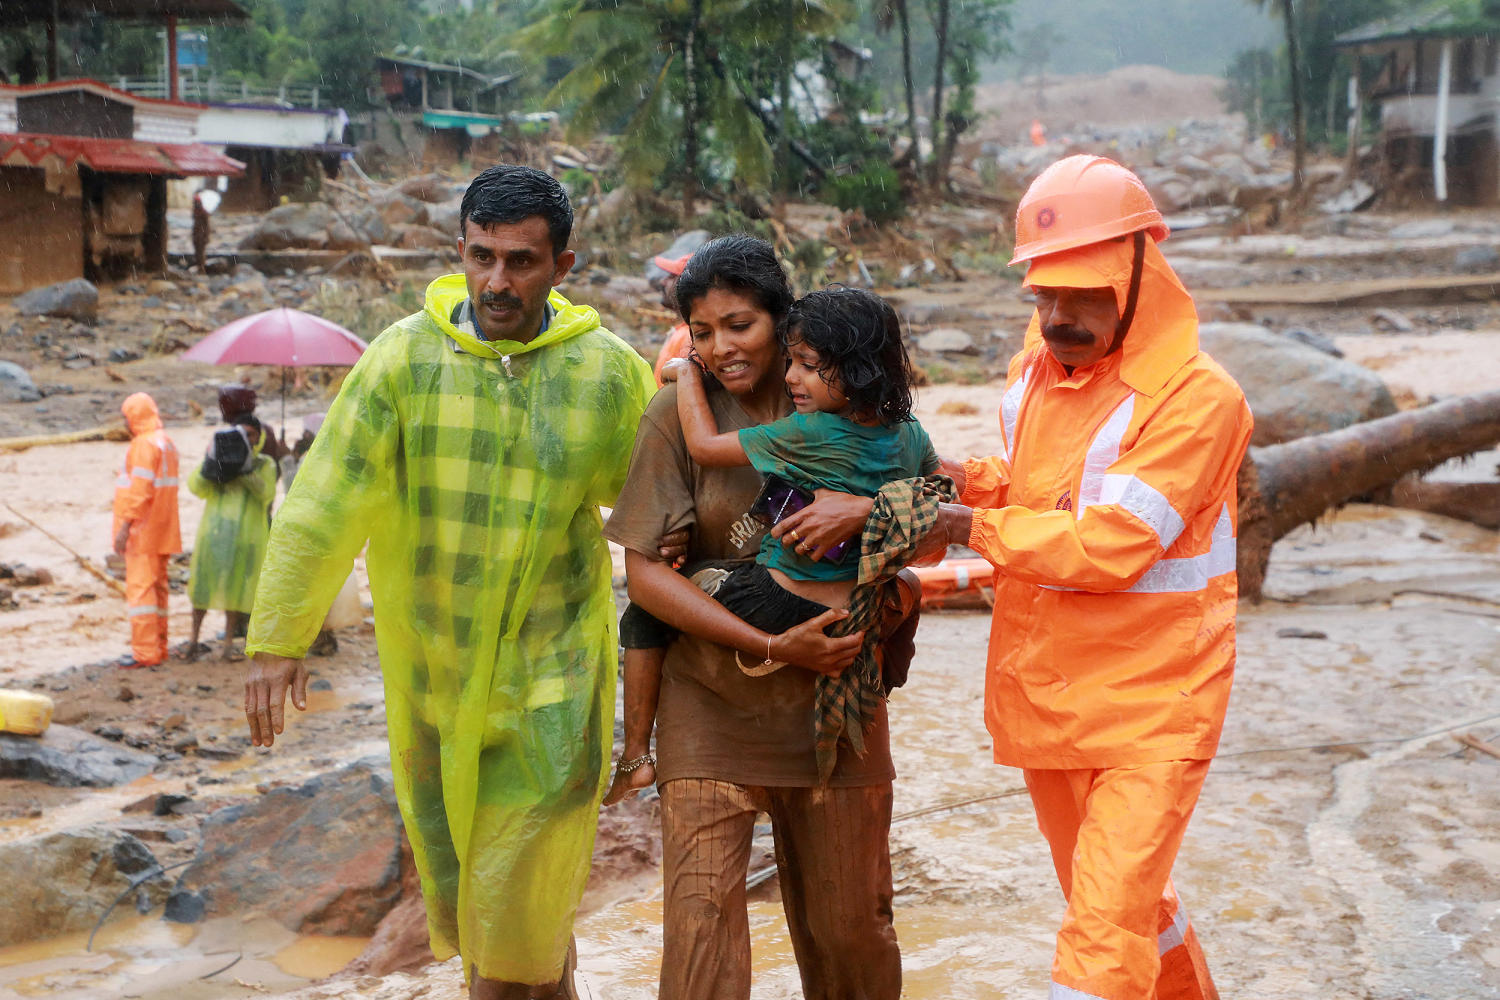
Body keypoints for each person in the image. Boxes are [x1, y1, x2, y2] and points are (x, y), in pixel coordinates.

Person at [240, 164, 656, 1000]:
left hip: (554, 674)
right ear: (457, 252)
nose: (498, 281)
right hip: (432, 680)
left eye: (522, 261)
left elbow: (661, 509)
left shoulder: (605, 374)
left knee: (511, 907)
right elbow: (324, 502)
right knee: (495, 909)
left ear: (562, 267)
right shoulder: (402, 362)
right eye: (482, 257)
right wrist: (278, 638)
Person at [922, 155, 1254, 1000]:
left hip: (1154, 705)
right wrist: (954, 480)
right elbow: (1039, 490)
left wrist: (966, 524)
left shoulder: (1197, 399)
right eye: (1045, 296)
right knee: (1127, 908)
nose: (1058, 317)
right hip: (1053, 689)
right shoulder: (1035, 369)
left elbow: (1111, 543)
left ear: (1139, 274)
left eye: (1082, 296)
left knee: (1100, 940)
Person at [603, 235, 904, 1000]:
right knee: (699, 945)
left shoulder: (862, 410)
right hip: (711, 702)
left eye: (740, 325)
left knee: (853, 940)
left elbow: (935, 525)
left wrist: (865, 510)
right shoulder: (678, 413)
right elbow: (642, 577)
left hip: (837, 706)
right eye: (702, 332)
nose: (721, 348)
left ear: (783, 317)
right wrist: (770, 641)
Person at [605, 286, 934, 804]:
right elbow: (939, 496)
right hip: (860, 609)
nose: (790, 377)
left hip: (777, 602)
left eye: (807, 365)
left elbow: (705, 447)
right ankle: (895, 655)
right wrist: (877, 507)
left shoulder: (807, 431)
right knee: (908, 583)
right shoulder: (910, 433)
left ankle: (636, 756)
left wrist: (686, 373)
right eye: (702, 334)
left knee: (654, 604)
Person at [182, 385, 279, 663]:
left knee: (237, 590)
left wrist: (245, 469)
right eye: (242, 436)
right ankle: (193, 640)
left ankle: (226, 645)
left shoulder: (264, 465)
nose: (246, 441)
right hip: (215, 533)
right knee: (202, 587)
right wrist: (212, 462)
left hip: (248, 536)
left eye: (251, 436)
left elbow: (266, 493)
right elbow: (196, 487)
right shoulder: (221, 458)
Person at [112, 392, 181, 669]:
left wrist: (125, 527)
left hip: (143, 532)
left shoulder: (143, 445)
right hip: (165, 530)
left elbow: (139, 492)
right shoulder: (167, 443)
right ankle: (159, 647)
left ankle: (145, 652)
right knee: (159, 591)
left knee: (141, 595)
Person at [650, 252, 692, 385]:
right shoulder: (684, 332)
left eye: (672, 276)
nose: (663, 281)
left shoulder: (690, 337)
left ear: (687, 284)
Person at [191, 190, 211, 273]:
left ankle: (201, 268)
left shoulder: (203, 213)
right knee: (198, 252)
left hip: (201, 235)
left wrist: (206, 236)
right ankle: (200, 267)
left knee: (200, 252)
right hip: (197, 235)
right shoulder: (196, 212)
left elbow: (207, 226)